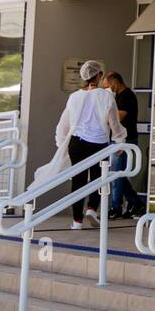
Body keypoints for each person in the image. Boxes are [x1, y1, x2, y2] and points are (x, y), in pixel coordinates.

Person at [54, 60, 126, 230]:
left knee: (77, 181)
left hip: (76, 143)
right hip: (98, 143)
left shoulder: (74, 97)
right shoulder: (106, 96)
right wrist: (120, 141)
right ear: (99, 76)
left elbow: (63, 125)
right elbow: (114, 122)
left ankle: (77, 221)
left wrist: (61, 144)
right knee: (98, 178)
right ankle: (92, 209)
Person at [102, 71, 143, 218]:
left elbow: (117, 118)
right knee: (119, 174)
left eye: (108, 86)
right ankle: (136, 202)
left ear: (115, 83)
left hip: (126, 141)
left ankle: (116, 208)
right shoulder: (117, 96)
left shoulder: (127, 96)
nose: (108, 90)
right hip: (118, 140)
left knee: (116, 175)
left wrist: (104, 116)